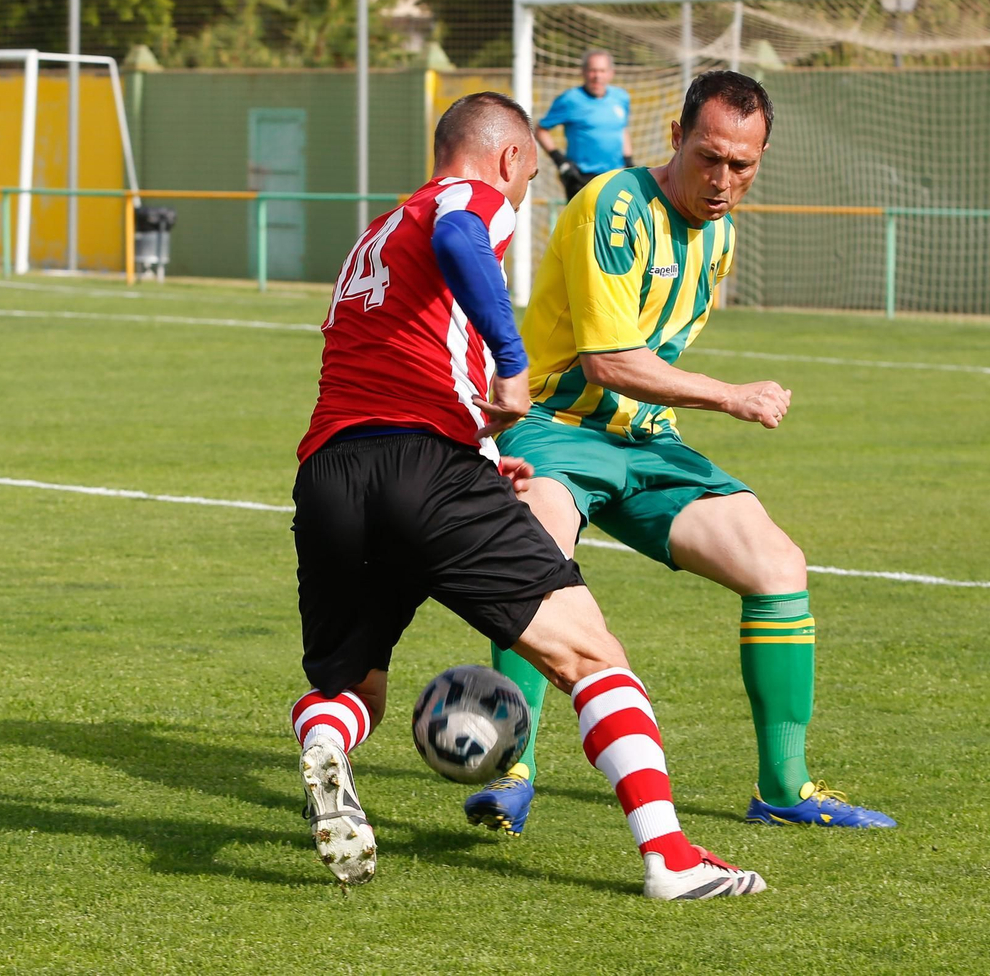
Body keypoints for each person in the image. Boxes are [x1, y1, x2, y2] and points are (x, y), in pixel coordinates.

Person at [288, 91, 765, 900]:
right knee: (593, 655)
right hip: (423, 468)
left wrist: (481, 450)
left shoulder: (375, 233)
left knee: (352, 684)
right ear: (509, 159)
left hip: (331, 476)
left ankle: (326, 743)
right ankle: (671, 859)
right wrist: (512, 359)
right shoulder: (460, 200)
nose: (520, 199)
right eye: (527, 183)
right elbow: (461, 234)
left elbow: (403, 359)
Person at [463, 72, 896, 839]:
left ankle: (784, 785)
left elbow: (644, 375)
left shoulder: (720, 237)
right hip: (556, 425)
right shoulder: (612, 205)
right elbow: (610, 361)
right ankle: (512, 767)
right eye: (710, 157)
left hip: (645, 440)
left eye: (743, 165)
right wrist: (731, 395)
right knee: (536, 542)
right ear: (676, 138)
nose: (724, 179)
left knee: (777, 565)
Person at [536, 50, 633, 201]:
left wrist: (629, 161)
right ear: (584, 72)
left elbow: (622, 129)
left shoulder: (621, 97)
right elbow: (541, 130)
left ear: (610, 73)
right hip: (582, 179)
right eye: (592, 70)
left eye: (602, 71)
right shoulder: (570, 99)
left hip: (615, 177)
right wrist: (560, 161)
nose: (597, 76)